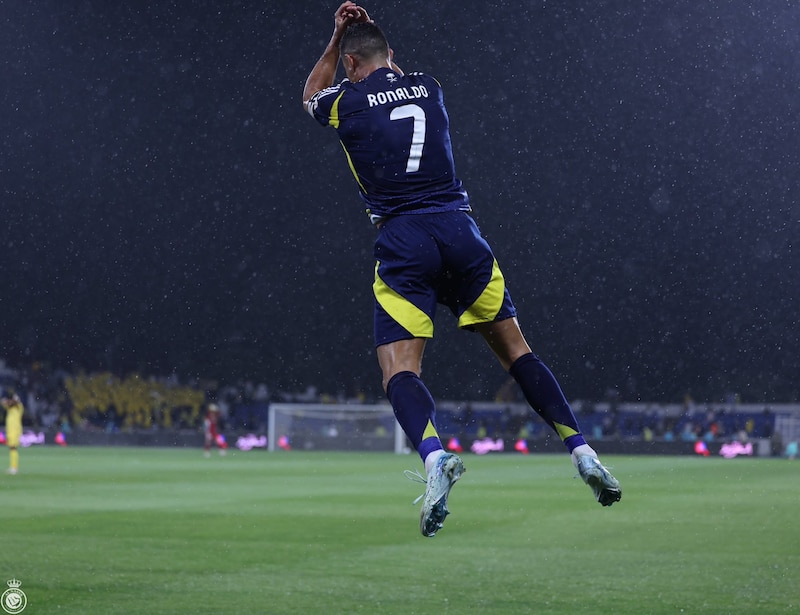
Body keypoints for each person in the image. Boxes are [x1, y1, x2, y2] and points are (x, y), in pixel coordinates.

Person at [303, 2, 621, 537]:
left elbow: (310, 94)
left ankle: (434, 459)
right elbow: (391, 77)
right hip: (460, 230)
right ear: (392, 58)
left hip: (405, 239)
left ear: (352, 65)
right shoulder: (428, 86)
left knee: (399, 370)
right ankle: (582, 450)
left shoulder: (347, 102)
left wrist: (336, 39)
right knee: (518, 352)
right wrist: (370, 50)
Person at [1, 391, 24, 475]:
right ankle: (13, 467)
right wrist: (8, 401)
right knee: (11, 448)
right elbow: (3, 402)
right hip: (10, 430)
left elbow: (15, 402)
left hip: (15, 430)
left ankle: (14, 467)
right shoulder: (10, 408)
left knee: (13, 448)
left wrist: (12, 401)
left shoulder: (19, 407)